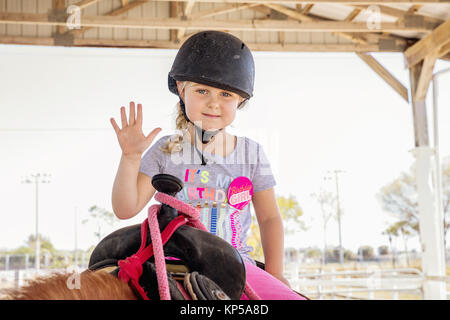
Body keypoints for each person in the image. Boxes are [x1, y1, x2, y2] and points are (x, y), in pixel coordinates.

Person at [110, 31, 305, 300]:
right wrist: (130, 157)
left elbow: (270, 217)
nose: (214, 102)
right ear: (181, 89)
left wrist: (275, 272)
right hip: (171, 262)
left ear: (241, 100)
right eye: (202, 91)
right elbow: (125, 208)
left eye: (226, 94)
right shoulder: (167, 149)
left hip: (236, 266)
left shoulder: (252, 154)